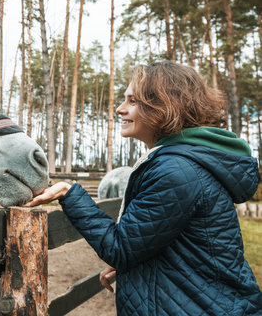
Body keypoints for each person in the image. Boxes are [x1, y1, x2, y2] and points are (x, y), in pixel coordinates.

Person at [26, 61, 262, 315]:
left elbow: (120, 249)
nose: (119, 109)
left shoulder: (176, 171)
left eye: (132, 101)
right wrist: (141, 269)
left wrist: (68, 192)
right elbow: (179, 240)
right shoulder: (183, 163)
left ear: (165, 105)